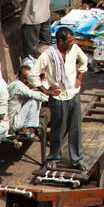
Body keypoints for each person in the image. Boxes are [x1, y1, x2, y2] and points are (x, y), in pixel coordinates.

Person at [31, 26, 88, 171]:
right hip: (58, 98)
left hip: (73, 94)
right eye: (69, 40)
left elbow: (84, 60)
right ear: (60, 41)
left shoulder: (74, 49)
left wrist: (79, 78)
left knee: (75, 128)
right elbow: (32, 74)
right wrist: (45, 90)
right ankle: (54, 157)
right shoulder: (48, 55)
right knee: (58, 129)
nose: (72, 42)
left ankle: (77, 158)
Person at [7, 57, 46, 140]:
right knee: (34, 100)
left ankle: (30, 125)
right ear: (19, 76)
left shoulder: (20, 84)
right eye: (25, 78)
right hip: (12, 124)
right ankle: (30, 127)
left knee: (34, 98)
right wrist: (44, 80)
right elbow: (43, 97)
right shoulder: (18, 86)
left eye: (28, 78)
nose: (27, 81)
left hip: (15, 120)